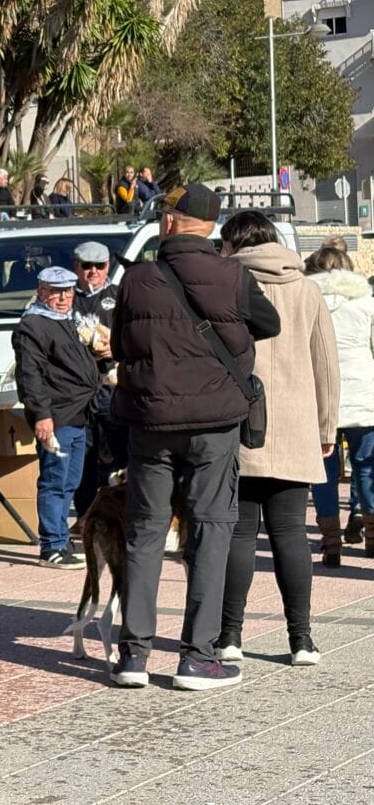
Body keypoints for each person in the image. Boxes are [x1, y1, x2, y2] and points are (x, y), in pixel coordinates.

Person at [109, 184, 281, 691]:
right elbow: (268, 324)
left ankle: (133, 657)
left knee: (144, 531)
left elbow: (120, 343)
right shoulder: (232, 274)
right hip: (213, 422)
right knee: (210, 530)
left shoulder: (136, 278)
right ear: (209, 227)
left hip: (149, 422)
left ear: (170, 221)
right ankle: (197, 657)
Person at [214, 211, 337, 668]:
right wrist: (327, 426)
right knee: (290, 534)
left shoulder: (226, 285)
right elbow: (325, 363)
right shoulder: (307, 290)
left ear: (235, 244)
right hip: (296, 423)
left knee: (240, 533)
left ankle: (230, 636)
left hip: (240, 422)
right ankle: (301, 639)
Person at [12, 266, 101, 568]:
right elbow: (30, 375)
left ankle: (60, 539)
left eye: (67, 291)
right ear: (41, 291)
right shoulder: (34, 324)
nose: (63, 297)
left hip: (77, 414)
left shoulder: (64, 319)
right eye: (55, 291)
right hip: (57, 416)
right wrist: (41, 415)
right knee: (54, 481)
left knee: (69, 481)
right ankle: (51, 545)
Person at [307, 246, 374, 560]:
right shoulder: (366, 303)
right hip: (363, 397)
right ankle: (372, 538)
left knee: (323, 472)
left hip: (320, 398)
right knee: (366, 468)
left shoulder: (307, 302)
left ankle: (331, 543)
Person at [70, 241, 123, 523]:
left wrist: (117, 347)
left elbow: (138, 334)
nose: (93, 272)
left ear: (107, 267)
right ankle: (85, 516)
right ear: (76, 266)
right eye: (86, 266)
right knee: (84, 455)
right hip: (79, 389)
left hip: (113, 385)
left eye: (99, 266)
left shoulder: (120, 294)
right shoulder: (66, 297)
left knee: (118, 453)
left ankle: (120, 514)